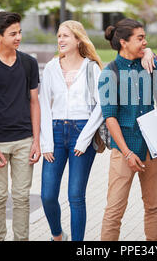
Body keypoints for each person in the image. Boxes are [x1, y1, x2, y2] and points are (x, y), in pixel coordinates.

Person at [98, 18, 157, 241]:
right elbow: (110, 117)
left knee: (154, 206)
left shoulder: (151, 66)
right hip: (124, 150)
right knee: (114, 210)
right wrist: (127, 152)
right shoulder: (109, 73)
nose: (145, 42)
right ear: (124, 42)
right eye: (140, 38)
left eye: (144, 38)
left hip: (153, 147)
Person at [0, 11, 41, 241]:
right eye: (13, 33)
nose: (18, 37)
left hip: (24, 141)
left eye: (20, 32)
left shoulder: (29, 63)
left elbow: (34, 102)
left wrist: (36, 141)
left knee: (22, 197)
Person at [39, 20, 104, 241]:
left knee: (76, 196)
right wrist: (46, 142)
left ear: (78, 39)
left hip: (81, 132)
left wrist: (84, 139)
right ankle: (57, 235)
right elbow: (43, 106)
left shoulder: (91, 68)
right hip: (55, 133)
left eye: (65, 36)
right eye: (58, 36)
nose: (60, 40)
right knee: (47, 195)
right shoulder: (51, 67)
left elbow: (101, 106)